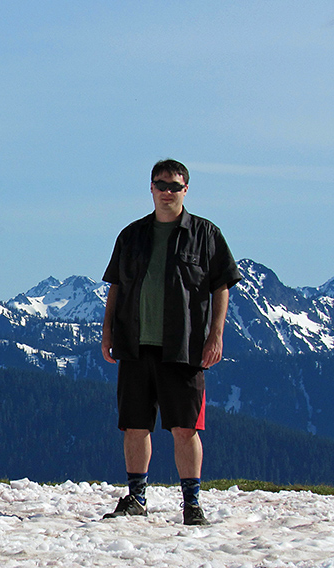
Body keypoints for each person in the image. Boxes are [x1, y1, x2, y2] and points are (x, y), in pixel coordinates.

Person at [100, 159, 241, 525]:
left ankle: (192, 504)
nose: (167, 191)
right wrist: (107, 333)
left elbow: (221, 286)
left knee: (185, 427)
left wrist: (216, 334)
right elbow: (116, 286)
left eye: (175, 186)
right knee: (134, 424)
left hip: (185, 347)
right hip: (135, 342)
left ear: (185, 190)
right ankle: (136, 497)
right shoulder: (131, 235)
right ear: (150, 188)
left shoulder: (206, 234)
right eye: (161, 184)